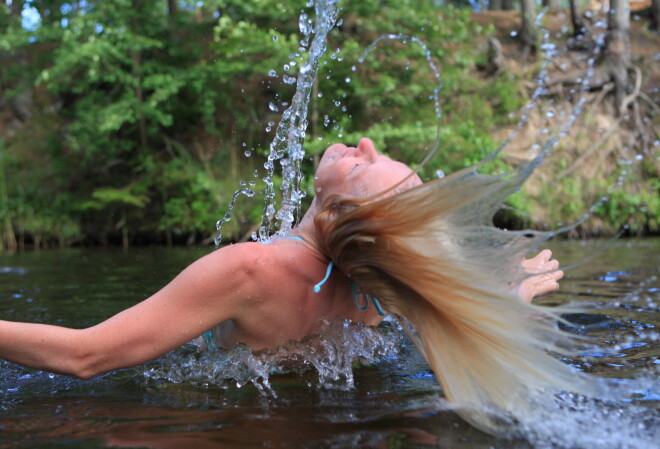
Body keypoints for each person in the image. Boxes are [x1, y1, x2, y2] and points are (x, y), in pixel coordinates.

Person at [0, 138, 592, 432]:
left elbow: (86, 357)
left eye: (363, 166)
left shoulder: (250, 270)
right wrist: (506, 305)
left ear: (334, 217)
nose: (365, 144)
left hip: (219, 426)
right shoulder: (375, 290)